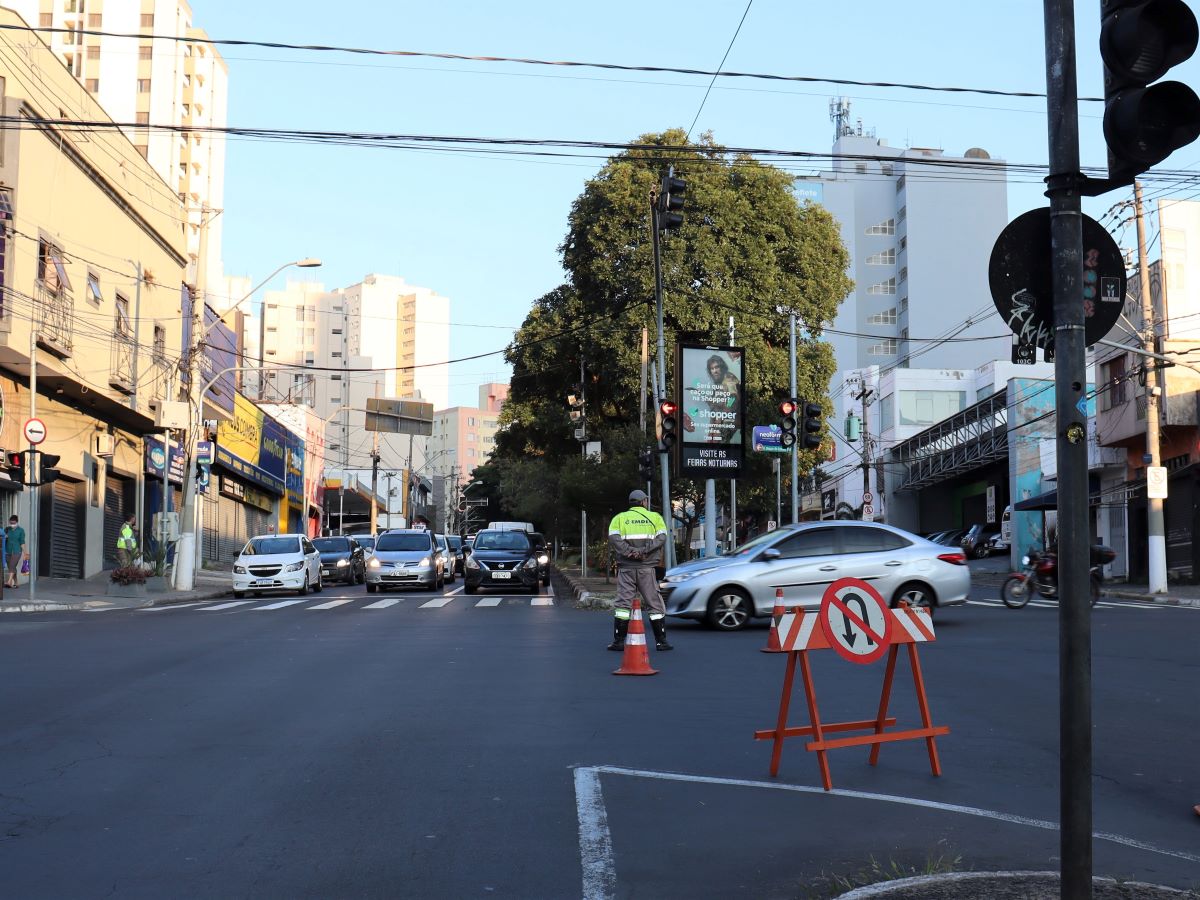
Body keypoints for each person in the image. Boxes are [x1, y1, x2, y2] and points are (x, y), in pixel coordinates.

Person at [607, 489, 672, 652]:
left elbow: (614, 538)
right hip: (647, 568)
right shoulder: (655, 518)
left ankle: (619, 642)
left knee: (623, 604)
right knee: (654, 604)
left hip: (626, 569)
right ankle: (661, 642)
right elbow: (661, 538)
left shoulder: (619, 519)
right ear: (643, 502)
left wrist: (630, 552)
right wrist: (644, 551)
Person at [5, 515, 25, 588]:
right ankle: (16, 583)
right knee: (11, 567)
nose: (12, 525)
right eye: (11, 523)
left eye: (13, 523)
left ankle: (9, 582)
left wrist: (25, 553)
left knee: (12, 565)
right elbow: (3, 538)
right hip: (8, 550)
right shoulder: (7, 529)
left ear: (17, 522)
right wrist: (5, 536)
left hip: (17, 551)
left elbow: (22, 542)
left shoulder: (21, 530)